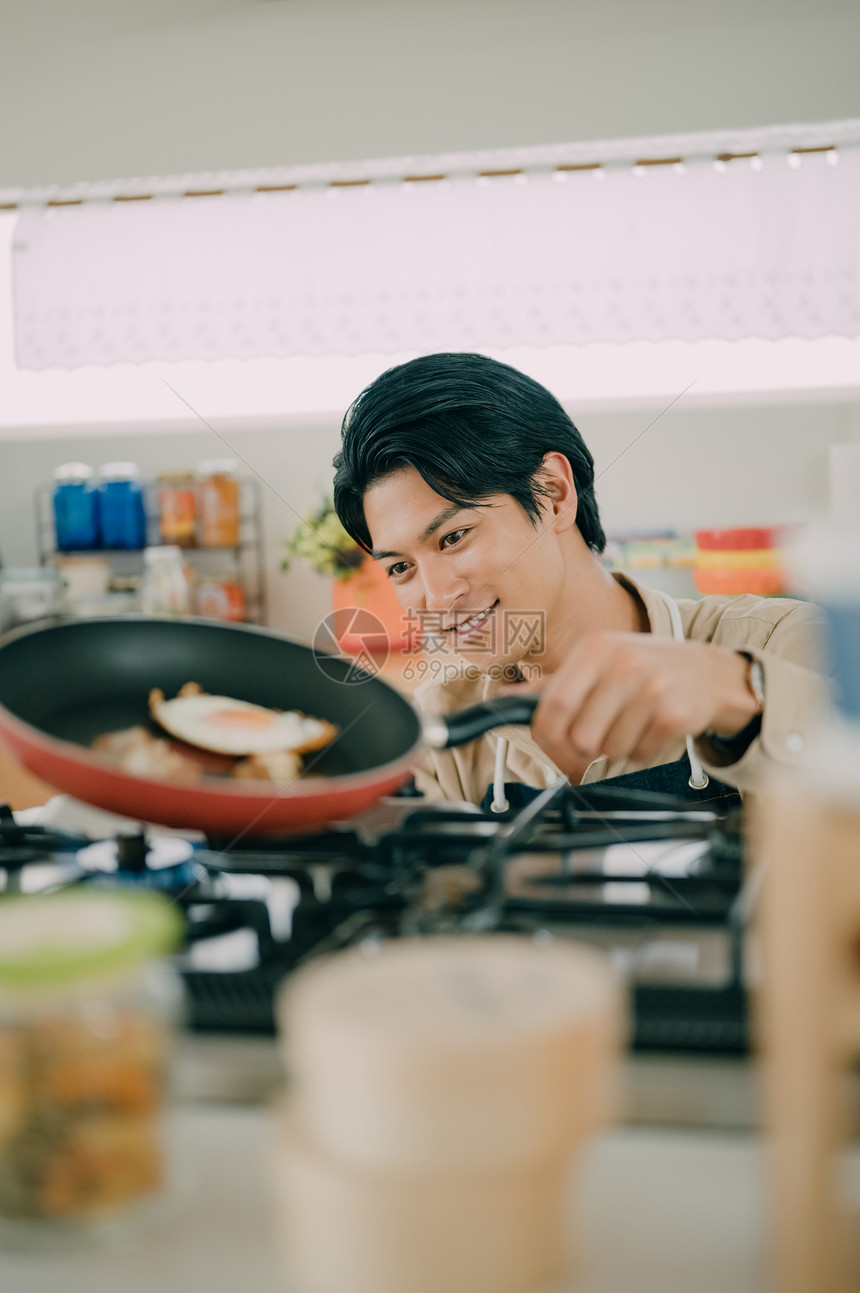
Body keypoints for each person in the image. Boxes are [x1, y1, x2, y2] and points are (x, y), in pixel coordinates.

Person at [332, 352, 829, 810]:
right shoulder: (446, 731)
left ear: (552, 492)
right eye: (400, 567)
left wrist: (735, 694)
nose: (439, 598)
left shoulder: (778, 641)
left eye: (454, 537)